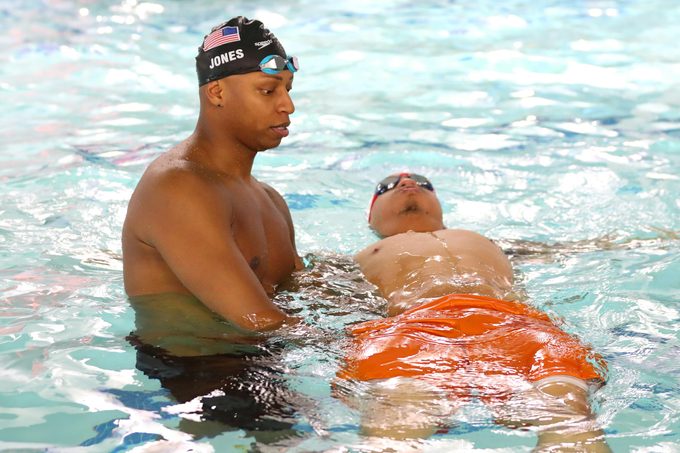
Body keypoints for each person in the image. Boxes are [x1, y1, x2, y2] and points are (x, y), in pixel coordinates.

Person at [120, 17, 307, 444]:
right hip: (201, 376)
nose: (288, 107)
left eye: (288, 91)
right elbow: (257, 318)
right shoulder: (178, 186)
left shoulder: (270, 200)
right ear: (217, 92)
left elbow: (301, 291)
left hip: (267, 358)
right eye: (268, 90)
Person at [335, 173, 611, 452]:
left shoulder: (497, 243)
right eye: (388, 186)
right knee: (398, 416)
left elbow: (593, 246)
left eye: (422, 182)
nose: (408, 183)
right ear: (371, 216)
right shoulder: (348, 261)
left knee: (567, 415)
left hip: (516, 323)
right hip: (413, 327)